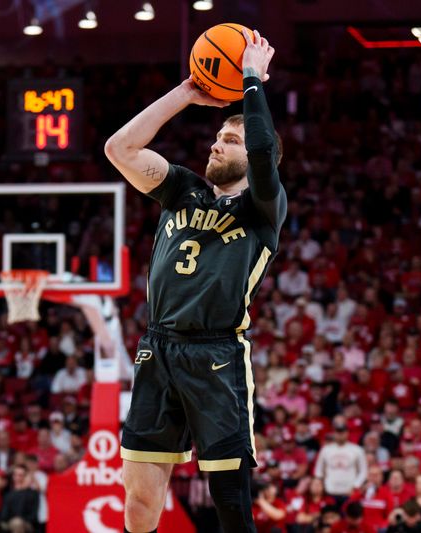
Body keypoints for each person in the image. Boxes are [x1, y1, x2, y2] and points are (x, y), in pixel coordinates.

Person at [106, 26, 282, 533]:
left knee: (229, 498)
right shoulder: (181, 189)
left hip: (216, 353)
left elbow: (266, 154)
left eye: (230, 140)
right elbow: (120, 148)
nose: (216, 144)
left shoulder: (263, 209)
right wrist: (185, 93)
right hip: (157, 346)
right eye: (218, 136)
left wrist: (251, 80)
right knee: (139, 502)